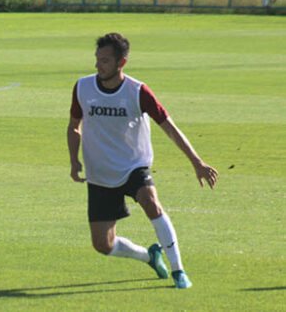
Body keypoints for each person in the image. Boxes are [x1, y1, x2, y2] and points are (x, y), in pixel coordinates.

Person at [67, 33, 218, 289]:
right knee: (103, 245)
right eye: (97, 59)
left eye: (104, 60)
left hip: (132, 165)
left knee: (151, 202)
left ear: (121, 63)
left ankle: (178, 270)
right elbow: (74, 127)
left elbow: (169, 127)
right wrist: (74, 160)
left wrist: (196, 161)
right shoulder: (83, 87)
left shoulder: (137, 91)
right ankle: (149, 256)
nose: (97, 65)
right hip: (100, 172)